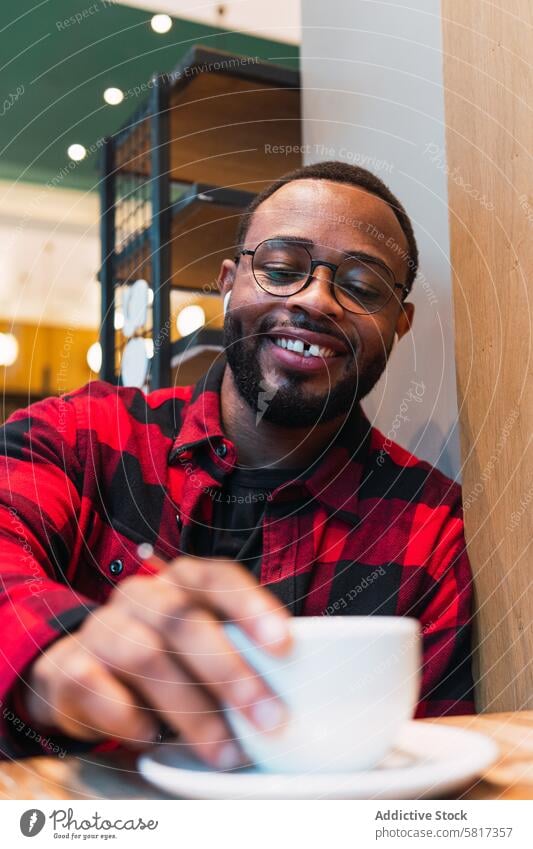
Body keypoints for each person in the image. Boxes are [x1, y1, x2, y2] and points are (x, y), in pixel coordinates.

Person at [0, 161, 475, 767]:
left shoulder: (428, 525)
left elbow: (427, 770)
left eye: (361, 285)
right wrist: (56, 654)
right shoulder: (85, 435)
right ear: (229, 283)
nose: (315, 299)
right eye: (280, 269)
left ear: (398, 324)